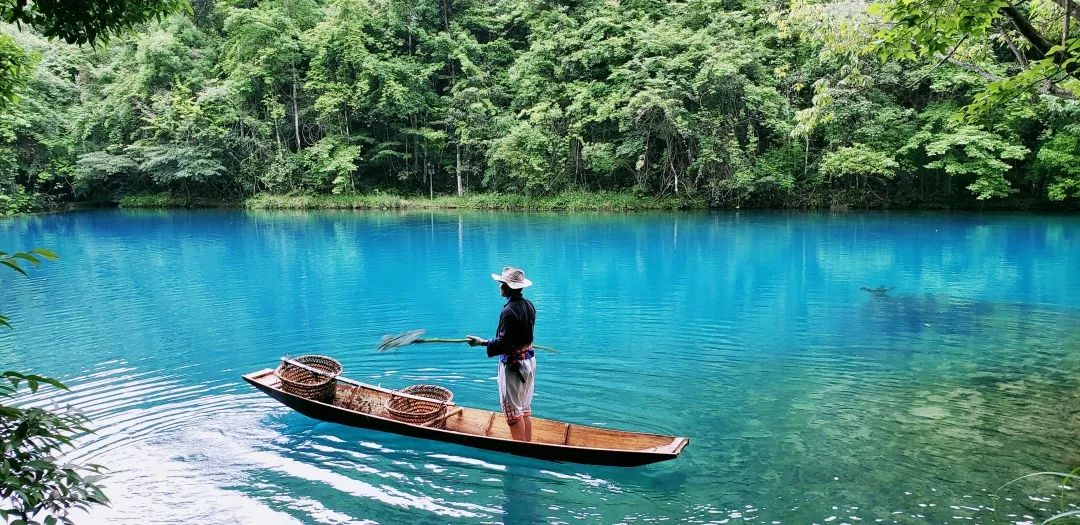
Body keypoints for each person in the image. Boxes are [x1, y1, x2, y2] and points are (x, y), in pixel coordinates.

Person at [466, 266, 536, 442]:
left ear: (507, 287)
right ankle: (528, 446)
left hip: (514, 366)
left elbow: (504, 343)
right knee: (524, 408)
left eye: (501, 284)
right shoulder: (529, 305)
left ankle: (520, 451)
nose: (499, 286)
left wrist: (481, 342)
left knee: (513, 413)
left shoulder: (508, 311)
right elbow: (520, 337)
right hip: (529, 361)